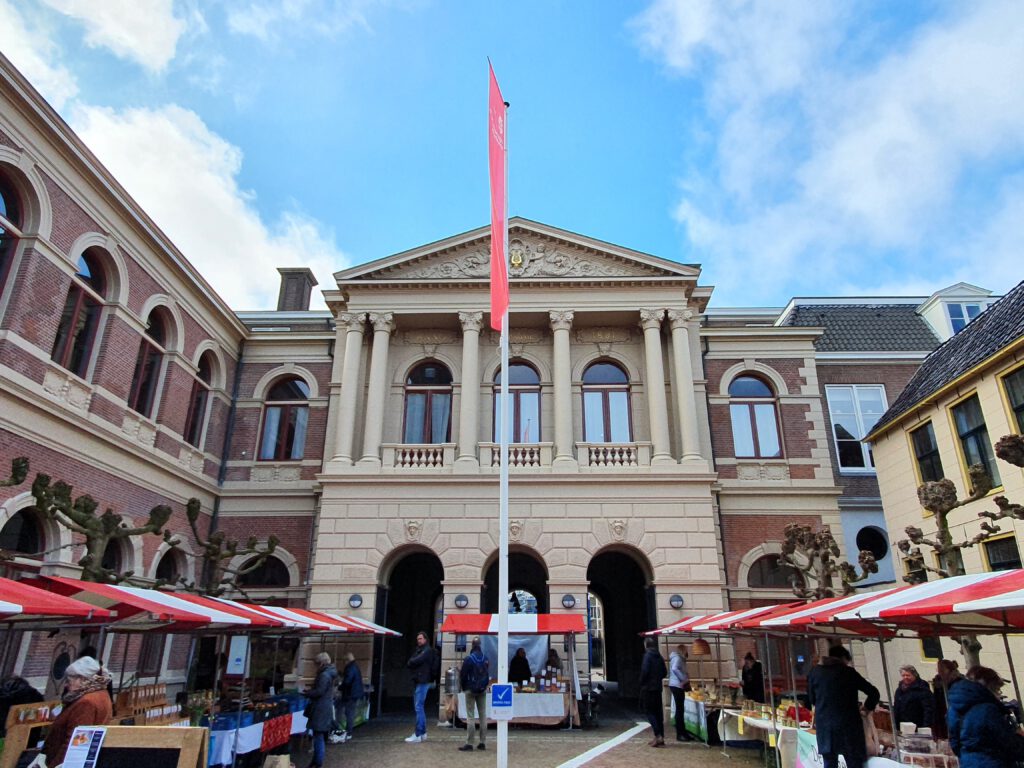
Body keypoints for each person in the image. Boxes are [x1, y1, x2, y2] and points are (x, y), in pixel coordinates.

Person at [807, 645, 880, 768]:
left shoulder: (815, 673)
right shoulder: (848, 672)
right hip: (849, 727)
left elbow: (812, 699)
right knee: (854, 763)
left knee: (830, 763)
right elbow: (874, 692)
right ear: (842, 658)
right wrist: (866, 708)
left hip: (825, 727)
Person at [947, 665, 1024, 768]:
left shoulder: (954, 709)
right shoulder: (988, 710)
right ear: (988, 688)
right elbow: (1011, 746)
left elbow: (955, 744)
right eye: (997, 690)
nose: (999, 695)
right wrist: (1020, 737)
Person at [42, 657, 113, 767]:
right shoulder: (102, 694)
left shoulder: (86, 702)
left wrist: (55, 765)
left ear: (82, 679)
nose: (66, 685)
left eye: (69, 681)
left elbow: (73, 742)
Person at [303, 652, 338, 768]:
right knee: (319, 735)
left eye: (316, 664)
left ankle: (317, 762)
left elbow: (319, 692)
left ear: (321, 663)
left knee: (318, 736)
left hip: (320, 708)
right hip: (324, 706)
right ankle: (315, 761)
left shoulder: (324, 675)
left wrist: (308, 693)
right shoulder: (330, 673)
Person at [458, 636, 489, 752]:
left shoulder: (469, 659)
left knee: (470, 716)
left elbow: (463, 675)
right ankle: (482, 742)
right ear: (480, 645)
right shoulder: (485, 658)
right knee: (483, 715)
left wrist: (464, 687)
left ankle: (470, 743)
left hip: (470, 690)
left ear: (472, 645)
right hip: (482, 690)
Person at [405, 630, 435, 743]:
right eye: (418, 639)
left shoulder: (427, 651)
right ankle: (422, 733)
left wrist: (413, 662)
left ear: (425, 639)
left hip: (423, 681)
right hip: (420, 681)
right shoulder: (421, 650)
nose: (419, 641)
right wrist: (412, 661)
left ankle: (418, 733)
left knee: (419, 707)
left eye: (421, 639)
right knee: (420, 707)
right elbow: (410, 661)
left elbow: (414, 661)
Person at [639, 637, 667, 748]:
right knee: (658, 713)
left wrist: (641, 681)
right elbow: (664, 672)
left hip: (648, 688)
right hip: (657, 688)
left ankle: (658, 735)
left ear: (646, 645)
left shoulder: (647, 656)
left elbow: (645, 671)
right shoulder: (659, 656)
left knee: (649, 711)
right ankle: (660, 737)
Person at [330, 652, 364, 743]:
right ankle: (346, 731)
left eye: (344, 661)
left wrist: (340, 687)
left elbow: (347, 681)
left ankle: (345, 732)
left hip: (350, 694)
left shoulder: (350, 668)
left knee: (346, 712)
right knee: (349, 712)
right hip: (354, 693)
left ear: (347, 660)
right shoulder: (355, 666)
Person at [892, 664, 933, 730]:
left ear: (914, 675)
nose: (905, 677)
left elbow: (928, 709)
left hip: (917, 726)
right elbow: (896, 707)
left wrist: (925, 727)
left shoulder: (922, 689)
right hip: (901, 726)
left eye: (908, 675)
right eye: (903, 675)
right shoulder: (899, 690)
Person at [933, 659, 965, 739]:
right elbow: (937, 701)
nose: (940, 672)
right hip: (942, 715)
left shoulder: (959, 681)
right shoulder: (938, 682)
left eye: (942, 669)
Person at [668, 644, 694, 742]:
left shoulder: (679, 659)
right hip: (677, 685)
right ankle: (680, 733)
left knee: (680, 709)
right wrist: (683, 679)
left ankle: (683, 732)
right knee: (680, 710)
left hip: (676, 685)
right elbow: (675, 668)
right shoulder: (678, 658)